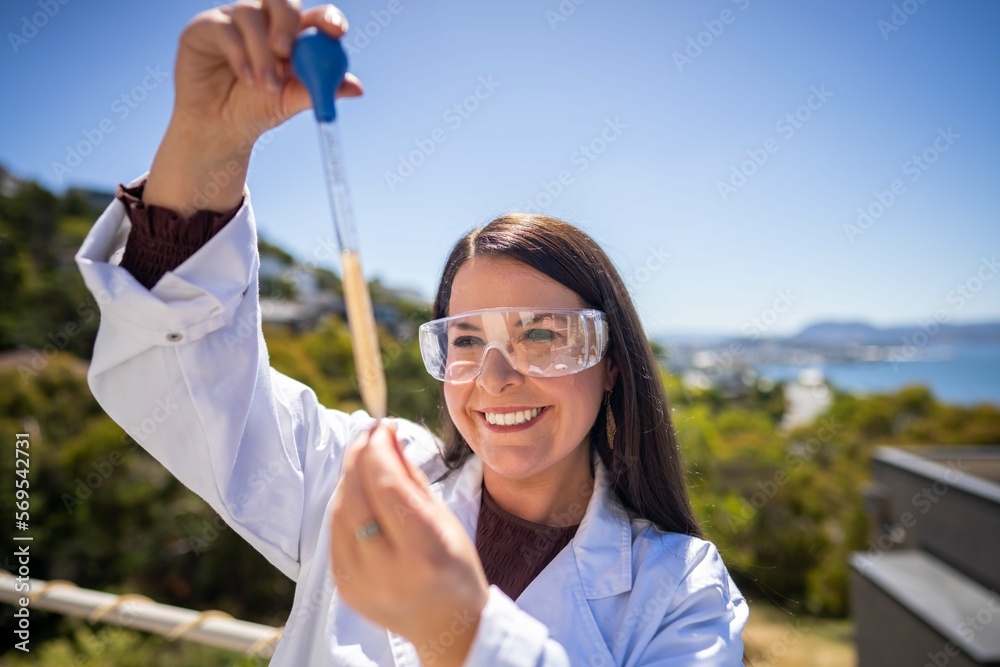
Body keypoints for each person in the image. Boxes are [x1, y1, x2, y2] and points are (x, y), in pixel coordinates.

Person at [74, 1, 748, 664]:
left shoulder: (681, 591)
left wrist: (458, 631)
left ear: (610, 361)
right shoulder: (363, 473)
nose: (495, 377)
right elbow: (184, 378)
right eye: (463, 340)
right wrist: (207, 138)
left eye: (542, 335)